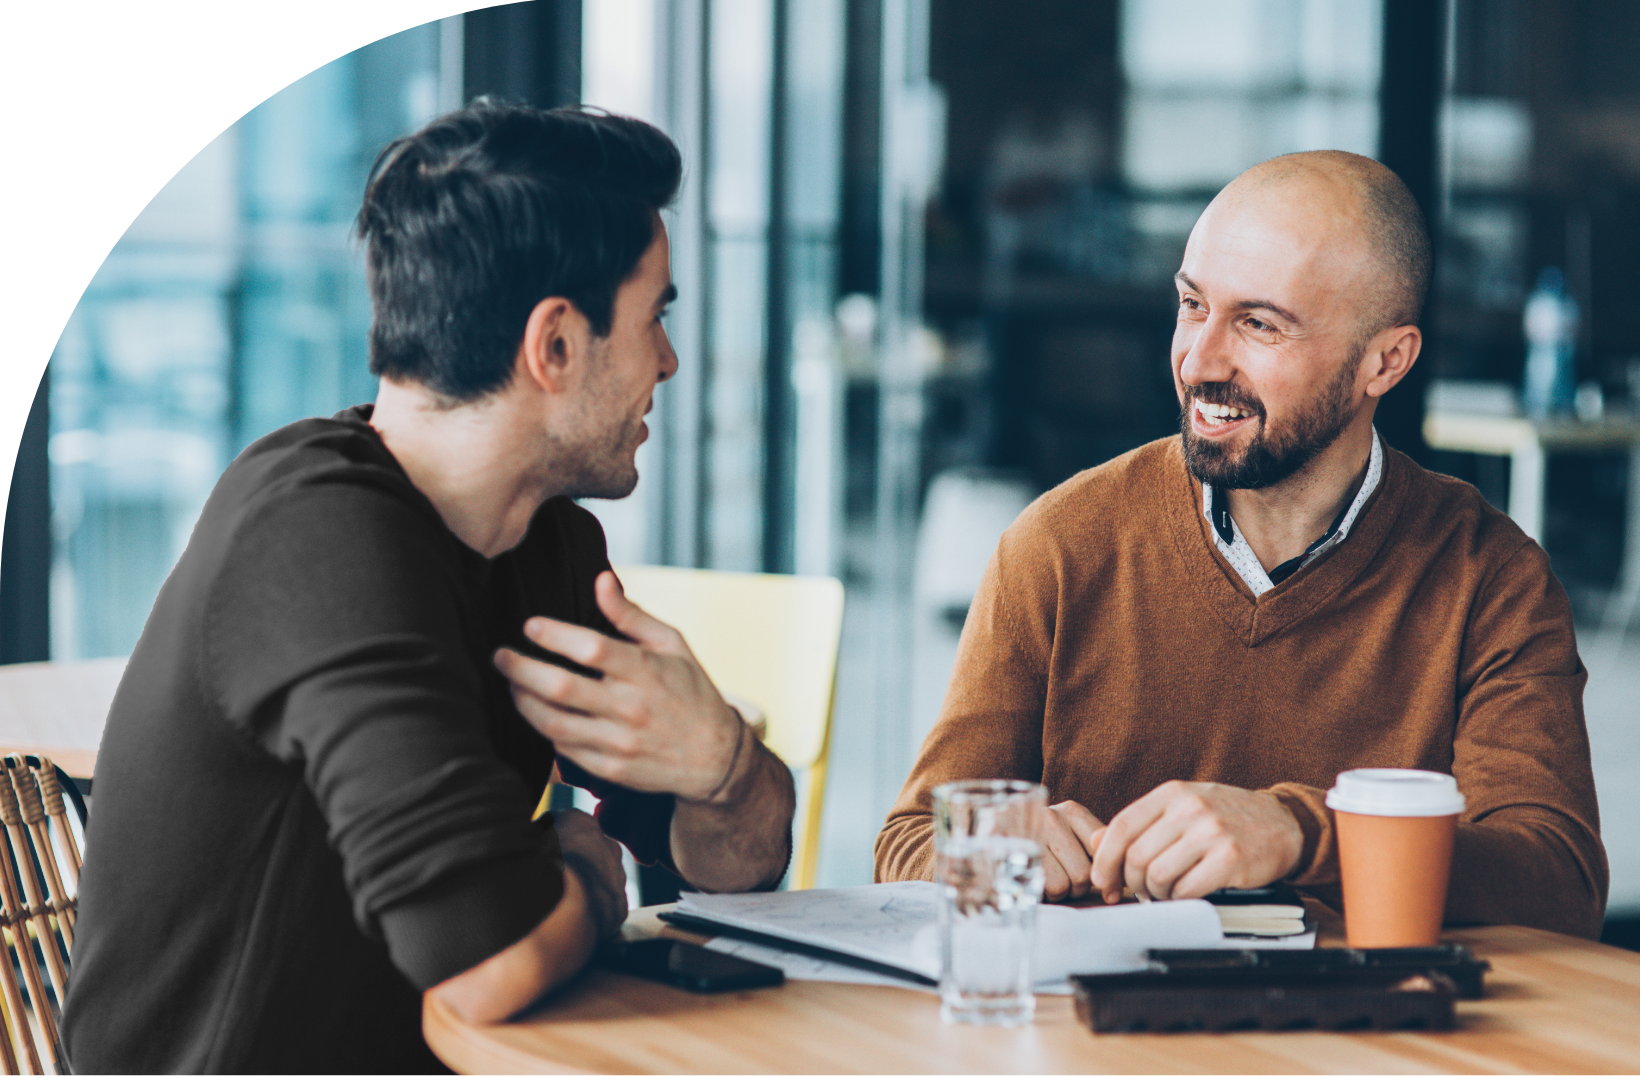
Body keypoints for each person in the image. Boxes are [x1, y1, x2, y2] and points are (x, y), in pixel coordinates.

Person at [63, 101, 795, 1075]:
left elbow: (733, 866)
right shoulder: (315, 531)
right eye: (654, 315)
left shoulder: (552, 545)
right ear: (556, 345)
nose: (666, 358)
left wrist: (724, 765)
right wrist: (580, 864)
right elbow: (482, 960)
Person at [875, 150, 1607, 938]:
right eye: (1192, 305)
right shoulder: (1057, 546)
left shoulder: (1489, 578)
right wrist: (993, 844)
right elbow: (911, 843)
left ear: (1384, 362)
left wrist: (1302, 835)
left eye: (1259, 324)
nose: (1199, 361)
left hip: (1365, 1051)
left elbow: (1556, 880)